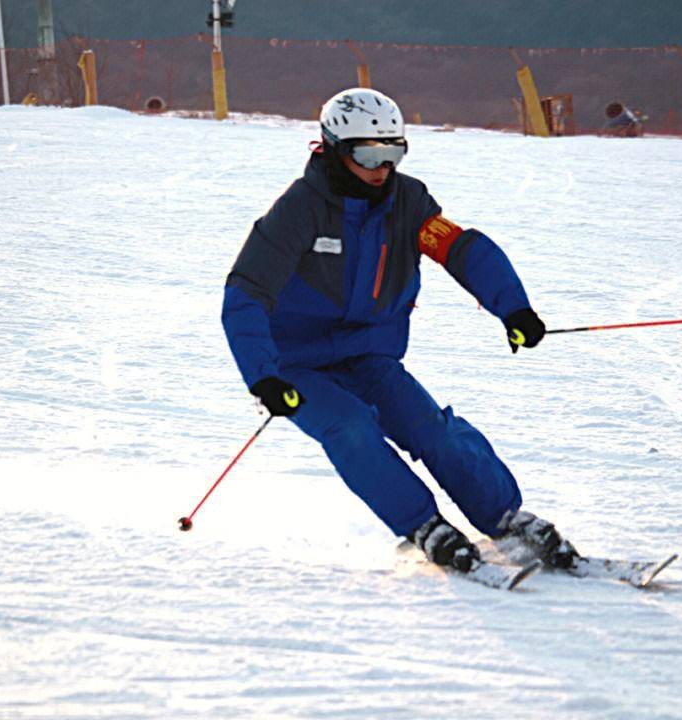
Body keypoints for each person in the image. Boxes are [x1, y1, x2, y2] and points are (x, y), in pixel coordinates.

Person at [221, 88, 576, 574]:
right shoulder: (299, 209)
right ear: (334, 149)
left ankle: (505, 519)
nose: (381, 168)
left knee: (436, 432)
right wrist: (263, 376)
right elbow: (247, 292)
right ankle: (423, 526)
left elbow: (460, 249)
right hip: (298, 367)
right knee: (352, 429)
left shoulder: (408, 203)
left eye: (393, 153)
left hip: (371, 358)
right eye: (369, 154)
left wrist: (513, 309)